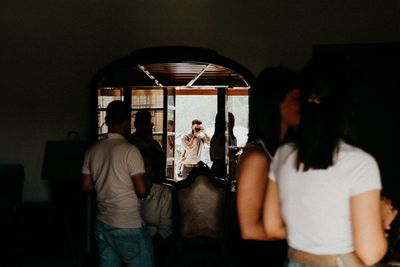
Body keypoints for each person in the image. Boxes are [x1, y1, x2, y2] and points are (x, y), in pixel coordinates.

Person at [262, 60, 398, 266]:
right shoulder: (359, 164)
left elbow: (271, 227)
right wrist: (381, 219)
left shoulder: (284, 154)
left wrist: (314, 236)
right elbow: (370, 253)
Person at [235, 66, 301, 266]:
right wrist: (308, 234)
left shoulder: (282, 151)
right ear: (276, 102)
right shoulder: (257, 157)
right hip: (262, 257)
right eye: (297, 99)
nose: (303, 106)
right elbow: (249, 230)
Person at [81, 100, 154, 267]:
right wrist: (147, 177)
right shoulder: (130, 151)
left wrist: (106, 185)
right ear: (128, 123)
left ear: (106, 121)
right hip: (128, 223)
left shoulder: (92, 151)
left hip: (103, 222)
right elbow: (142, 191)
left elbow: (86, 186)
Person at [210, 111, 237, 179]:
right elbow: (229, 154)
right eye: (230, 121)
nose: (232, 124)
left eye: (233, 121)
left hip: (217, 168)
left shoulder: (215, 137)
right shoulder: (225, 137)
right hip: (223, 170)